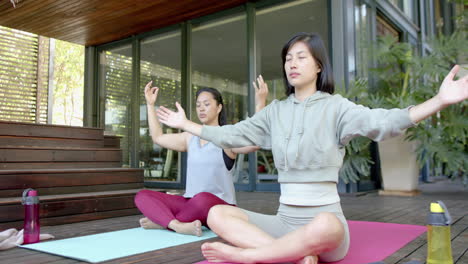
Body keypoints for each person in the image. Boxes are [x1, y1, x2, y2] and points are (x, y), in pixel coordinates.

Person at [155, 32, 468, 263]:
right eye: (288, 58)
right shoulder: (275, 111)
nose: (292, 63)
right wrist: (187, 125)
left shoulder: (337, 108)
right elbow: (233, 135)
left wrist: (440, 100)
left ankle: (253, 257)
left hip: (324, 223)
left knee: (327, 226)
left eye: (301, 57)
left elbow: (386, 122)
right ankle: (294, 255)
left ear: (319, 65)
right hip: (283, 222)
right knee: (218, 213)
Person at [134, 80, 268, 237]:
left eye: (206, 104)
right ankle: (177, 225)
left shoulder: (227, 137)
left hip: (219, 206)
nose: (201, 109)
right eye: (198, 105)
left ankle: (164, 222)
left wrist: (261, 103)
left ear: (219, 107)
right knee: (143, 195)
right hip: (190, 202)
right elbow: (158, 137)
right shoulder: (189, 137)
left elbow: (255, 142)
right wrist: (150, 105)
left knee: (202, 199)